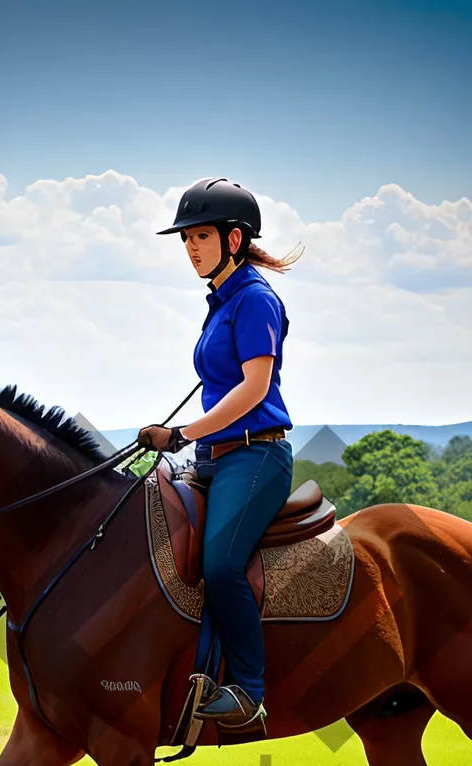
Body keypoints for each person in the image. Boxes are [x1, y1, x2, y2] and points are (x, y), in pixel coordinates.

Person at [138, 177, 302, 733]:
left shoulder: (255, 299)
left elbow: (254, 388)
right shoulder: (222, 302)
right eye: (185, 239)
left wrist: (183, 433)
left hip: (255, 458)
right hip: (215, 453)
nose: (190, 247)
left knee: (221, 563)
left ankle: (249, 691)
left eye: (201, 236)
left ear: (234, 240)